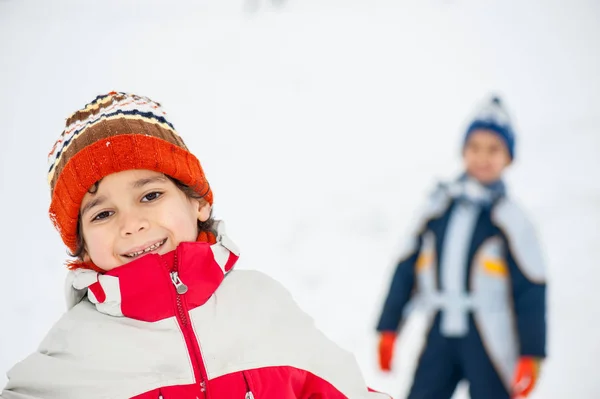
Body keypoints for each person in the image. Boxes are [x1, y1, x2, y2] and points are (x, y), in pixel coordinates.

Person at [1, 91, 388, 399]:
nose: (132, 224)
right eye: (102, 214)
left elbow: (343, 390)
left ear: (198, 202)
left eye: (150, 195)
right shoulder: (72, 351)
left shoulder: (261, 303)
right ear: (82, 248)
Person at [376, 96, 547, 399]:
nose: (483, 157)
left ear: (508, 157)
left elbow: (531, 288)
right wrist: (389, 327)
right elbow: (406, 269)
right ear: (463, 151)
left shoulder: (510, 220)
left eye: (494, 150)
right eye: (475, 148)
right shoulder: (438, 208)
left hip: (489, 338)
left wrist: (531, 353)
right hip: (440, 332)